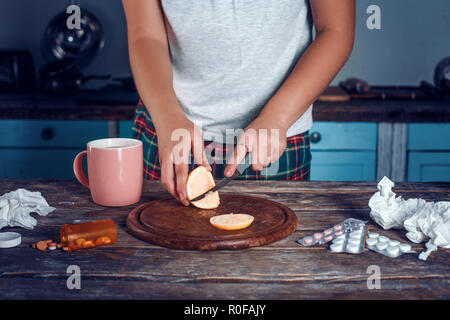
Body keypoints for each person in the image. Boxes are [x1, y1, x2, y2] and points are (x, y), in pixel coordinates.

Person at [122, 0, 355, 206]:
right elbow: (145, 36)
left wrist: (277, 117)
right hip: (170, 132)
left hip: (274, 138)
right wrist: (167, 117)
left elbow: (335, 31)